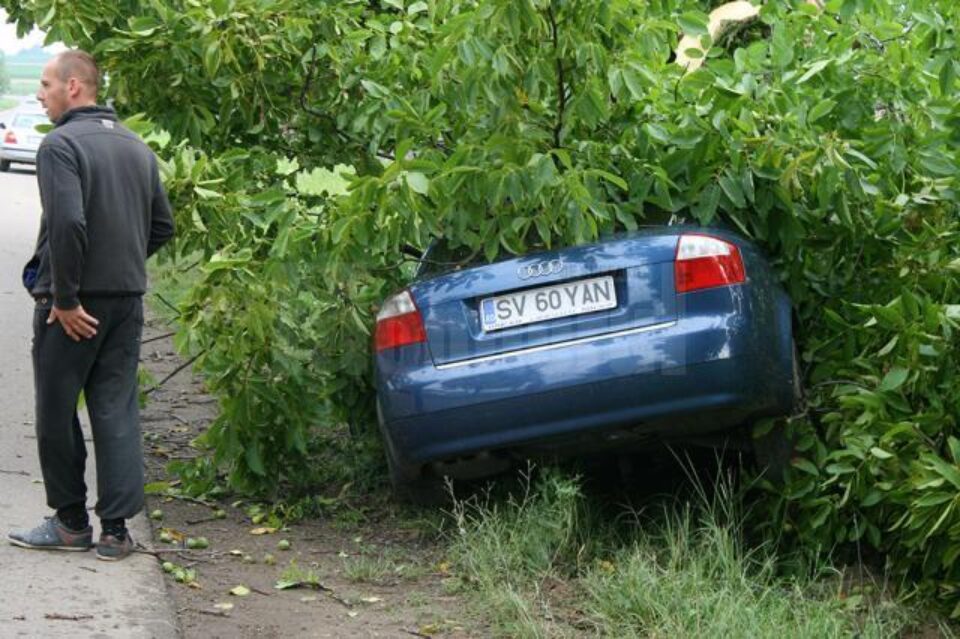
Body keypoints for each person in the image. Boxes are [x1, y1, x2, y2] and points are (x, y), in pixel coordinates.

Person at [7, 50, 175, 561]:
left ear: (74, 87)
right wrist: (120, 267)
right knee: (115, 405)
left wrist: (67, 297)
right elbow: (162, 227)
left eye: (45, 84)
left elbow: (68, 224)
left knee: (57, 409)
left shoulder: (60, 145)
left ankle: (71, 522)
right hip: (126, 299)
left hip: (72, 305)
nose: (40, 93)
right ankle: (117, 533)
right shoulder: (137, 148)